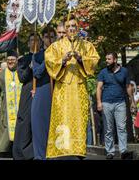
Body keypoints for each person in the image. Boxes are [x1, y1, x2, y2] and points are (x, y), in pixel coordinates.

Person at [45, 14, 99, 159]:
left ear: (77, 27)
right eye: (68, 27)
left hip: (79, 89)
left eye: (73, 26)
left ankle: (78, 149)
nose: (71, 29)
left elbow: (94, 60)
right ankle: (61, 150)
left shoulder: (86, 45)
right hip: (62, 89)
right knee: (62, 117)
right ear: (64, 28)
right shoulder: (56, 46)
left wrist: (81, 59)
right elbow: (49, 61)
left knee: (79, 119)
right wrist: (62, 60)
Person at [96, 52, 135, 160]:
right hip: (106, 103)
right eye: (106, 59)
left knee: (121, 128)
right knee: (108, 129)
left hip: (120, 103)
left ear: (115, 60)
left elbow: (128, 87)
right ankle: (110, 152)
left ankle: (123, 151)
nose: (106, 61)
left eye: (109, 59)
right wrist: (99, 102)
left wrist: (132, 101)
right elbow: (99, 88)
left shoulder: (124, 71)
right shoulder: (103, 72)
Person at [31, 27, 56, 160]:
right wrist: (47, 60)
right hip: (43, 91)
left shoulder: (61, 53)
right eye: (46, 37)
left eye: (52, 36)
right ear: (43, 39)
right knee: (41, 128)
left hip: (57, 93)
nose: (49, 39)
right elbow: (37, 73)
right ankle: (40, 157)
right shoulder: (38, 56)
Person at [13, 34, 38, 160]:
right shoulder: (24, 59)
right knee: (25, 121)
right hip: (28, 92)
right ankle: (23, 152)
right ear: (28, 44)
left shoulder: (45, 56)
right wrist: (29, 67)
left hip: (41, 90)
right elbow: (22, 78)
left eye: (37, 40)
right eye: (32, 40)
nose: (34, 42)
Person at [0, 50, 21, 157]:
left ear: (17, 60)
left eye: (13, 60)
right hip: (6, 107)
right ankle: (4, 149)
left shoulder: (21, 71)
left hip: (20, 106)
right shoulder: (2, 74)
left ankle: (18, 149)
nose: (10, 62)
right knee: (6, 127)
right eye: (8, 60)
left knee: (20, 127)